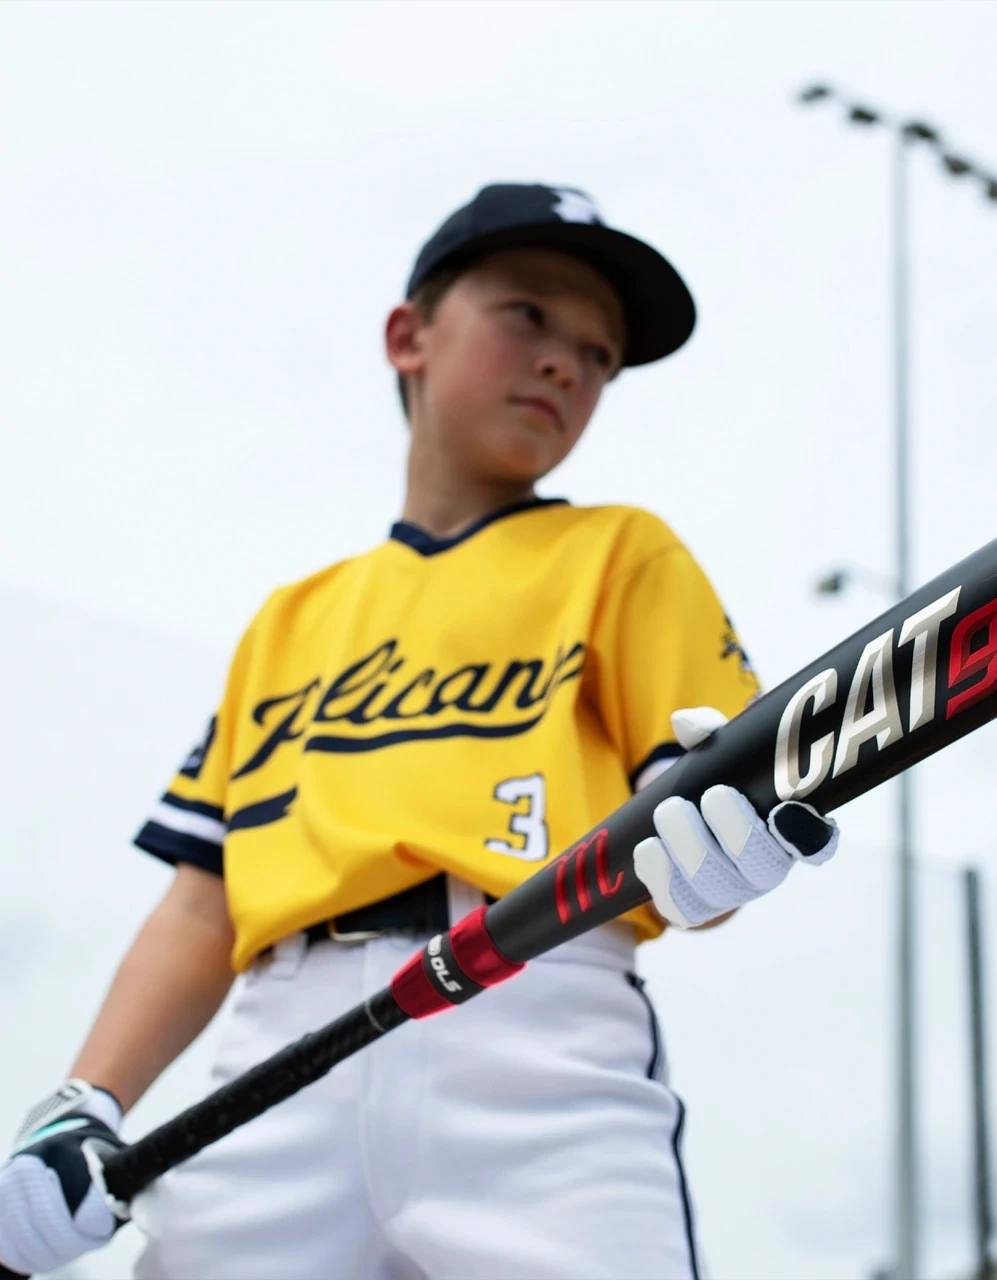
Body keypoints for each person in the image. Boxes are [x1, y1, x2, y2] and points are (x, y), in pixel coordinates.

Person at [0, 184, 839, 1280]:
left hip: (536, 1006)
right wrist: (85, 1098)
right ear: (409, 335)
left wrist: (714, 861)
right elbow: (203, 895)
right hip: (279, 1048)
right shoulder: (291, 617)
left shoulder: (624, 552)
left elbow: (699, 806)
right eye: (528, 314)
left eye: (598, 353)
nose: (564, 364)